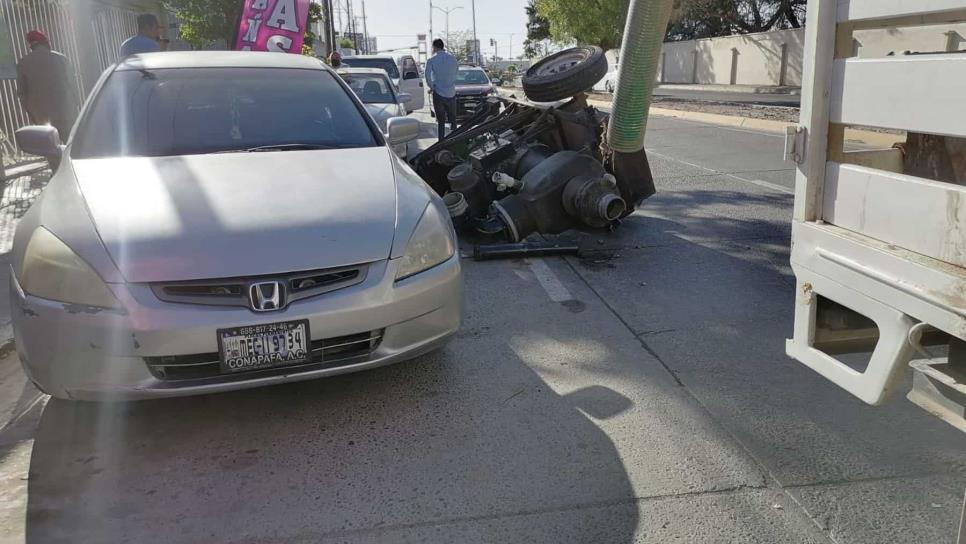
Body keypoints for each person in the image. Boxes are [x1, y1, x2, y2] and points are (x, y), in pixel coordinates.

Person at [16, 31, 78, 141]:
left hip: (42, 118)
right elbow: (73, 85)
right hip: (66, 114)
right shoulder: (61, 58)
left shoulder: (23, 64)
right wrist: (75, 105)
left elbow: (22, 94)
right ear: (46, 43)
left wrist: (32, 114)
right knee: (71, 148)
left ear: (31, 46)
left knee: (51, 150)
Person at [424, 39, 458, 140]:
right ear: (443, 46)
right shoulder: (453, 59)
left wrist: (432, 87)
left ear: (434, 47)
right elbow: (456, 73)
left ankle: (441, 142)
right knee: (453, 120)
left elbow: (427, 76)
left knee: (441, 122)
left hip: (438, 94)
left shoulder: (431, 60)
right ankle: (455, 140)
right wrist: (450, 83)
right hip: (451, 93)